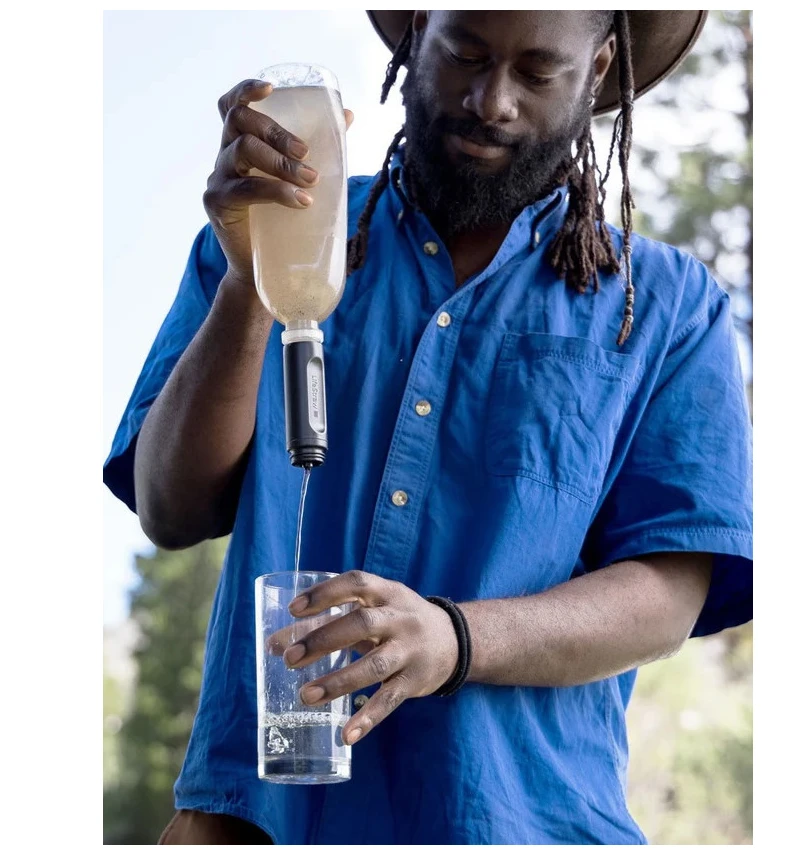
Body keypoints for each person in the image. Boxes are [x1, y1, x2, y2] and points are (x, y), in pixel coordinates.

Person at [104, 9, 753, 845]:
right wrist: (249, 280)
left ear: (596, 70)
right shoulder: (267, 235)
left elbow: (668, 595)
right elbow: (171, 507)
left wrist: (455, 637)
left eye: (536, 72)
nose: (491, 101)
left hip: (523, 823)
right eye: (465, 54)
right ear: (417, 33)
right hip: (258, 818)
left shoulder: (668, 306)